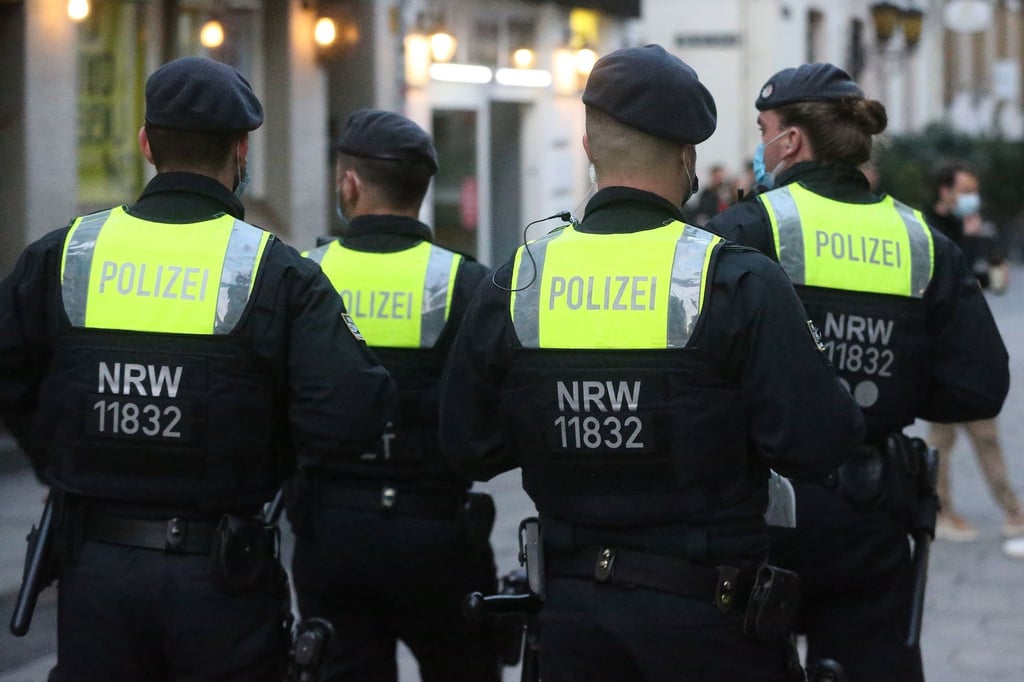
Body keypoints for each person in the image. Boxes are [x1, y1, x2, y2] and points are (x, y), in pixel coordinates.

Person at [438, 44, 865, 682]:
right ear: (689, 156)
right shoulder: (736, 280)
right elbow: (818, 442)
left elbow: (466, 445)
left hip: (572, 624)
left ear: (587, 146)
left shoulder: (519, 280)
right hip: (710, 625)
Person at [0, 56, 395, 681]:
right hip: (220, 577)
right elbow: (353, 411)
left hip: (93, 569)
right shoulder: (275, 269)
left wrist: (61, 452)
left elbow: (10, 374)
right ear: (242, 151)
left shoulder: (66, 253)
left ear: (146, 144)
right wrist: (270, 454)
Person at [707, 63, 1010, 682]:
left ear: (789, 141)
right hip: (871, 510)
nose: (759, 144)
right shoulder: (921, 240)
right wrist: (890, 382)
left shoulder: (746, 230)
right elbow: (980, 385)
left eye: (763, 128)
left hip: (756, 510)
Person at [288, 109, 500, 682]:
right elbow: (491, 418)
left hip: (331, 531)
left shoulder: (306, 275)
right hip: (437, 533)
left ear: (350, 184)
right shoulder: (467, 283)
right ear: (422, 191)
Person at [923, 162, 1024, 542]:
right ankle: (942, 510)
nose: (971, 197)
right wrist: (969, 240)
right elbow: (947, 278)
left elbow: (987, 279)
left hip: (970, 346)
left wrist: (985, 249)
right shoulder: (929, 226)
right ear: (945, 190)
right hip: (940, 350)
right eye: (965, 189)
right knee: (943, 440)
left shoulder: (976, 228)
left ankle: (1012, 509)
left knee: (983, 433)